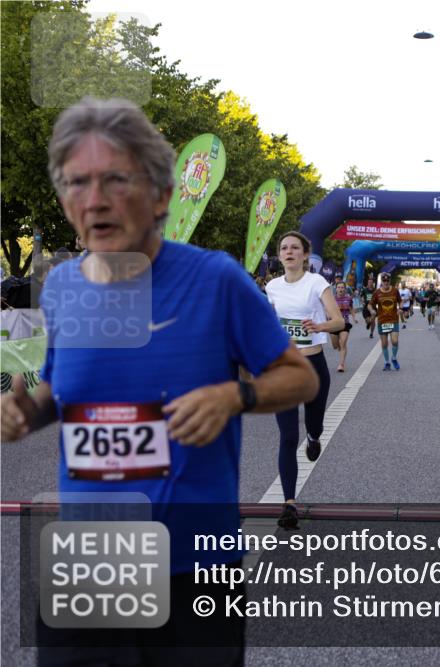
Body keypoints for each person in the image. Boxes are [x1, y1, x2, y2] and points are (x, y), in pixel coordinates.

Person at [0, 96, 319, 664]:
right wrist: (29, 411)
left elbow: (300, 379)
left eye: (115, 180)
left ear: (162, 196)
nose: (93, 200)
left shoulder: (216, 279)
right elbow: (60, 390)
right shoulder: (63, 287)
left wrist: (235, 394)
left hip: (194, 566)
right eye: (76, 183)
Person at [266, 231, 345, 529]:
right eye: (284, 248)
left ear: (305, 254)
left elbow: (339, 321)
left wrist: (319, 326)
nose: (289, 252)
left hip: (313, 364)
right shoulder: (272, 286)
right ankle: (289, 504)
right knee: (287, 437)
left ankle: (314, 437)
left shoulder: (316, 282)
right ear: (279, 255)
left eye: (294, 248)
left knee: (314, 425)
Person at [370, 273, 402, 369]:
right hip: (382, 321)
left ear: (390, 281)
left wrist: (400, 308)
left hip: (393, 320)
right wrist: (371, 310)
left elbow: (400, 301)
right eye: (384, 281)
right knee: (384, 343)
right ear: (381, 282)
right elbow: (370, 304)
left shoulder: (395, 291)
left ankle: (394, 358)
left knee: (395, 341)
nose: (386, 282)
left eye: (388, 280)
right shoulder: (377, 293)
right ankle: (387, 362)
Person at [332, 281, 355, 373]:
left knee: (343, 342)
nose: (340, 289)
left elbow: (351, 308)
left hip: (345, 323)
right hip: (334, 324)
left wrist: (354, 317)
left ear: (345, 289)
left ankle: (341, 364)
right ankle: (339, 346)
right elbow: (327, 310)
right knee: (335, 345)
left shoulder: (348, 299)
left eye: (342, 287)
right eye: (339, 287)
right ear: (336, 289)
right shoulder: (332, 299)